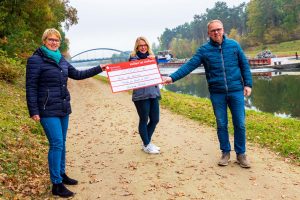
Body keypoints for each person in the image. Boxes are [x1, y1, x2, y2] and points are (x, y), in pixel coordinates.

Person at [26, 28, 105, 198]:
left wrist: (100, 68)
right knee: (56, 144)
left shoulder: (61, 60)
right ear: (44, 40)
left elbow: (77, 74)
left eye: (57, 40)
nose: (54, 42)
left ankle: (61, 174)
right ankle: (56, 184)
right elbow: (31, 86)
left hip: (63, 108)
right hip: (47, 110)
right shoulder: (36, 60)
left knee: (62, 142)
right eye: (51, 39)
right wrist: (33, 110)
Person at [163, 20, 253, 168]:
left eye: (218, 29)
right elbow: (189, 66)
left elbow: (244, 65)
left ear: (223, 30)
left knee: (240, 124)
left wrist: (248, 84)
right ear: (209, 33)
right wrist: (172, 77)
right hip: (217, 93)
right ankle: (225, 152)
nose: (216, 33)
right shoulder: (204, 50)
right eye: (213, 31)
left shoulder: (234, 46)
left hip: (236, 90)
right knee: (221, 124)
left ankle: (241, 154)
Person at [129, 36, 161, 154]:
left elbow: (156, 73)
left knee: (155, 119)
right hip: (141, 95)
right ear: (137, 47)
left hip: (153, 92)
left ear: (147, 46)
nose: (143, 47)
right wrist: (151, 61)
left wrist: (155, 61)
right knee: (144, 119)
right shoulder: (133, 59)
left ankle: (146, 142)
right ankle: (147, 144)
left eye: (145, 45)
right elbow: (138, 71)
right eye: (140, 46)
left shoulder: (152, 57)